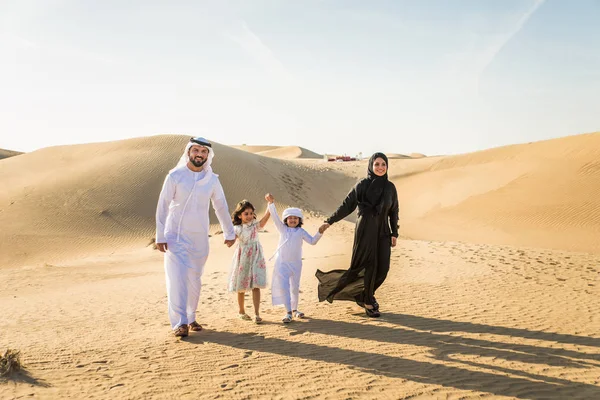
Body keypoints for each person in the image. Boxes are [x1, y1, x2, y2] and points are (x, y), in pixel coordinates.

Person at [156, 137, 236, 337]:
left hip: (200, 238)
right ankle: (179, 323)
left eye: (203, 151)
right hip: (175, 236)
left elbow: (221, 206)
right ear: (188, 152)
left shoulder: (212, 180)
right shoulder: (175, 176)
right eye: (196, 150)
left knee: (194, 280)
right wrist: (160, 235)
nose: (199, 154)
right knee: (177, 279)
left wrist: (229, 232)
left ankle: (191, 318)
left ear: (208, 155)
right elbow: (163, 205)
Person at [316, 152, 399, 318]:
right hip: (365, 231)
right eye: (377, 164)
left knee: (383, 268)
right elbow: (347, 206)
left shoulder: (390, 188)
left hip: (383, 232)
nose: (380, 167)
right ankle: (368, 301)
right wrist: (330, 221)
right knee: (369, 267)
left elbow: (394, 211)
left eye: (383, 164)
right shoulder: (361, 185)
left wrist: (394, 232)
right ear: (370, 165)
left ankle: (362, 295)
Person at [266, 193, 325, 323]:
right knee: (284, 287)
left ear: (299, 220)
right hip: (282, 264)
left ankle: (295, 310)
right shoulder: (282, 229)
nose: (292, 220)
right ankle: (288, 313)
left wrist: (320, 232)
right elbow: (275, 218)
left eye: (295, 218)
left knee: (294, 287)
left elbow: (313, 241)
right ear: (286, 220)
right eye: (290, 218)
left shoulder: (301, 232)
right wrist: (271, 203)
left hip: (296, 264)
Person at [228, 199, 270, 324]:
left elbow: (264, 221)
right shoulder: (237, 228)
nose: (249, 216)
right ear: (239, 215)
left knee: (256, 285)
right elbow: (232, 240)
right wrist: (229, 241)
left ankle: (257, 314)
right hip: (243, 258)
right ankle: (241, 311)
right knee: (241, 285)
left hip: (256, 256)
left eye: (251, 213)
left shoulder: (255, 225)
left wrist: (270, 205)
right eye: (246, 213)